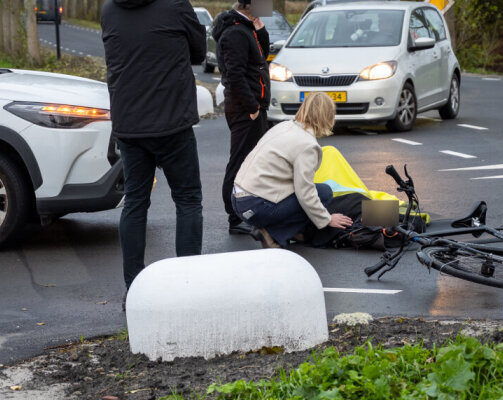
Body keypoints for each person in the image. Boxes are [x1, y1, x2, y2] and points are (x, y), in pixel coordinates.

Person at [101, 0, 206, 292]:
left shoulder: (110, 9)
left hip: (130, 123)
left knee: (135, 202)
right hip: (172, 120)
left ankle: (133, 289)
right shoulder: (175, 5)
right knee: (187, 200)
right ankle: (187, 285)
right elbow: (198, 51)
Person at [232, 93, 354, 248]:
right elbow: (305, 193)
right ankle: (274, 234)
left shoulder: (283, 126)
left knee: (304, 194)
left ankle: (287, 231)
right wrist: (327, 219)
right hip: (256, 206)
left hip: (237, 198)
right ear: (327, 116)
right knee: (323, 192)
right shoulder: (308, 145)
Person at [211, 0, 270, 235]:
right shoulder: (235, 32)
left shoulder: (245, 27)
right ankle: (234, 218)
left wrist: (260, 27)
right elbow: (234, 74)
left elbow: (262, 55)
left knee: (252, 162)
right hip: (245, 108)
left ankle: (247, 212)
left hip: (254, 106)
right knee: (238, 162)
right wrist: (252, 106)